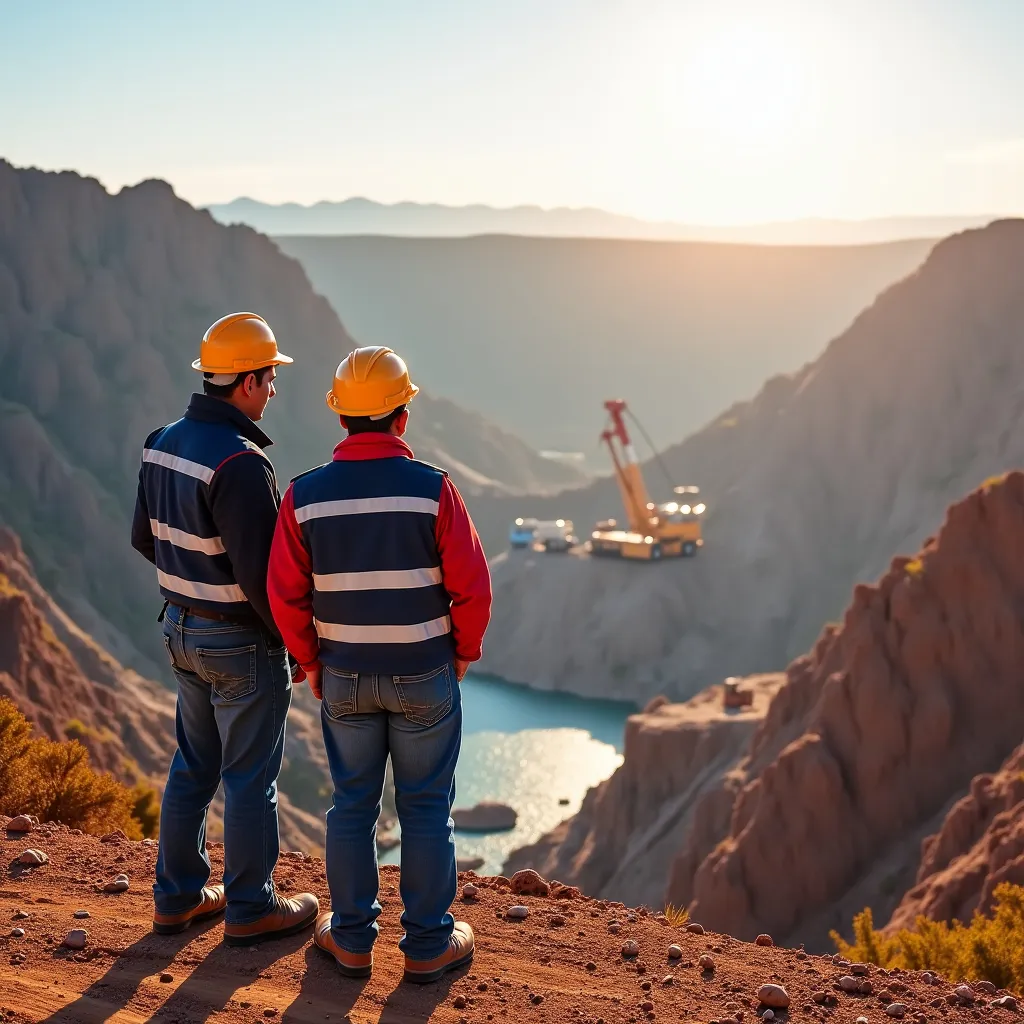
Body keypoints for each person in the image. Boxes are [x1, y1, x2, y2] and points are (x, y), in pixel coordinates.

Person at [267, 346, 491, 982]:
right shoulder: (434, 490)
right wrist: (463, 655)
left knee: (352, 806)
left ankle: (352, 940)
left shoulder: (305, 496)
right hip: (426, 673)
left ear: (341, 418)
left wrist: (311, 661)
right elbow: (473, 589)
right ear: (403, 415)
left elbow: (286, 595)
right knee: (424, 808)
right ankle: (427, 946)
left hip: (343, 675)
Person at [131, 312, 318, 944]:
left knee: (193, 766)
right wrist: (296, 644)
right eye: (269, 379)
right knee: (248, 776)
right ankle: (250, 907)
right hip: (239, 643)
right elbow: (264, 578)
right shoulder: (239, 462)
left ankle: (177, 897)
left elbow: (142, 536)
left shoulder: (161, 440)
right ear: (245, 381)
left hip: (181, 628)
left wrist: (191, 582)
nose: (273, 391)